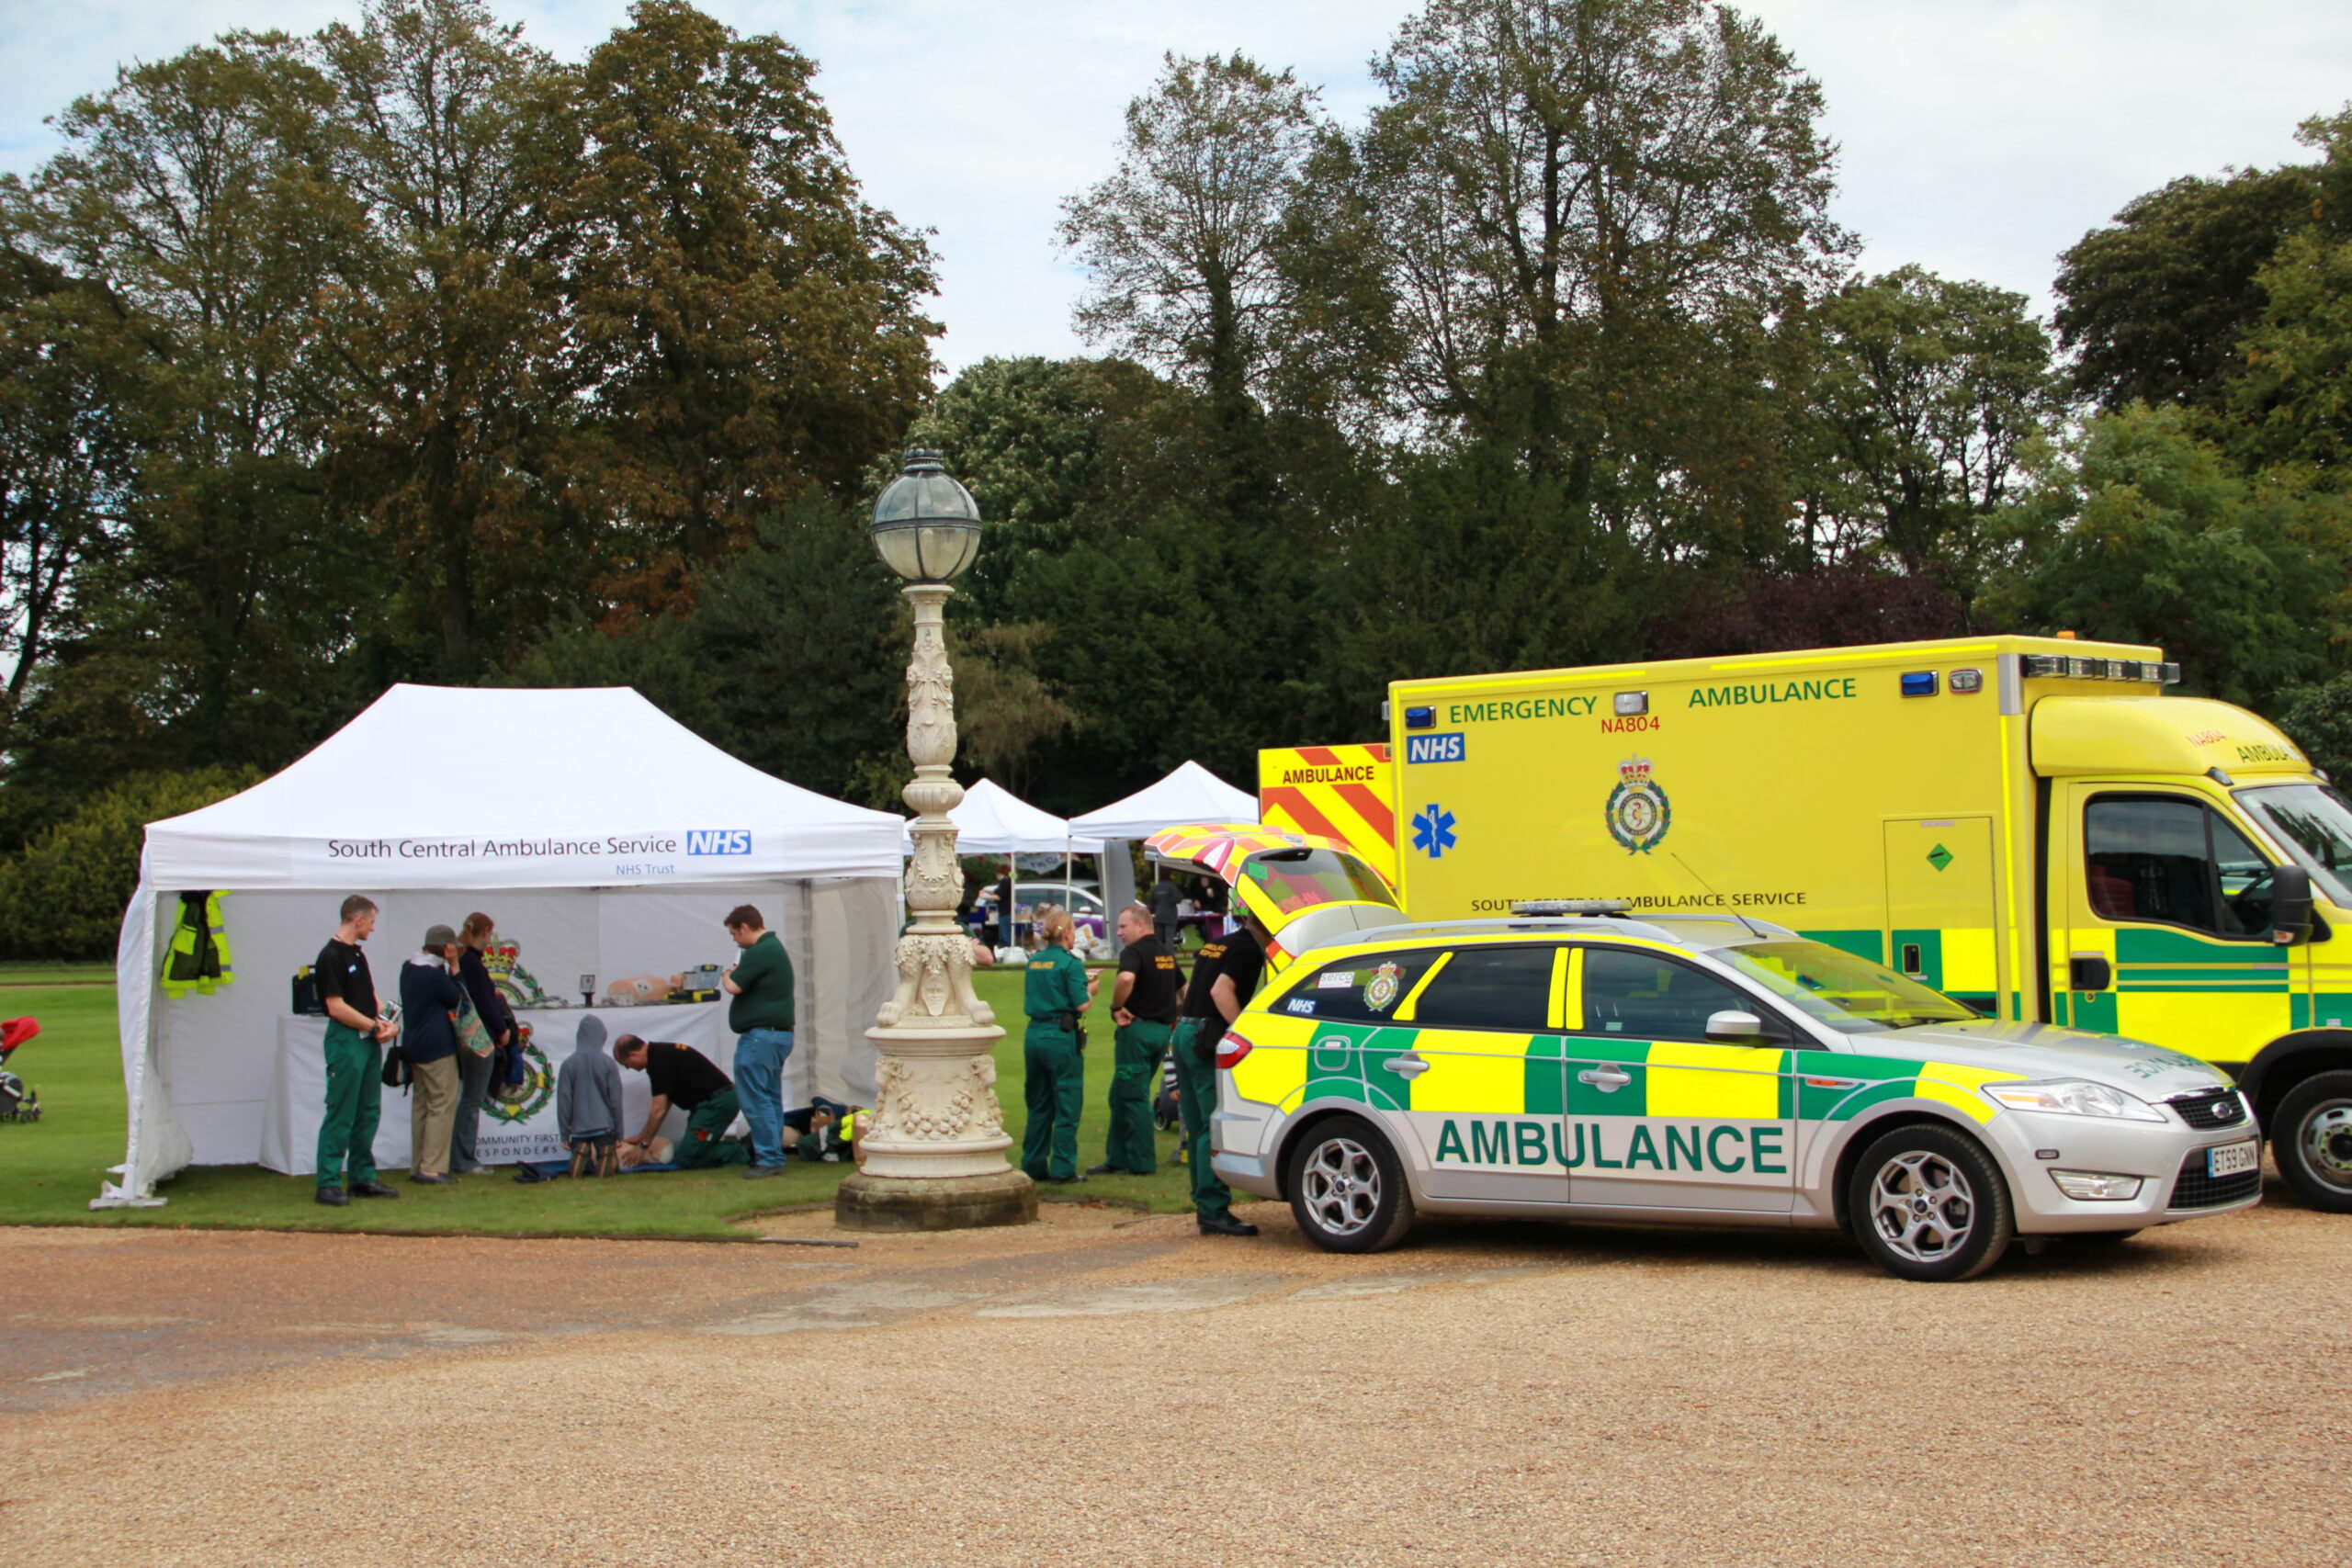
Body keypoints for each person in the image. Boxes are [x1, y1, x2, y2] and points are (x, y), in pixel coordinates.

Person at [1171, 909, 1271, 1235]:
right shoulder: (1247, 950)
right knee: (1212, 1125)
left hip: (1185, 1031)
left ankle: (1204, 1203)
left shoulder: (1218, 943)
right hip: (1206, 1037)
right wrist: (1242, 1032)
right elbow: (1221, 992)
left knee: (1197, 1122)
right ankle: (1213, 1208)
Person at [312, 896, 401, 1208]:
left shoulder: (357, 955)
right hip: (347, 1040)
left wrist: (390, 1022)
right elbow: (336, 1007)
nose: (373, 929)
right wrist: (374, 1026)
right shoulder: (331, 956)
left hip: (365, 1039)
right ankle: (328, 1182)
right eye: (372, 922)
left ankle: (363, 1176)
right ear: (358, 920)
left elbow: (371, 998)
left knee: (368, 1111)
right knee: (341, 1111)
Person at [1090, 904, 1183, 1177]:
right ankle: (1116, 1158)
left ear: (1141, 926)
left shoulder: (1134, 952)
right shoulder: (1166, 952)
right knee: (1119, 1093)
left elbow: (1126, 978)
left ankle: (1141, 1164)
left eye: (1123, 926)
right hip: (1161, 1032)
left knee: (1133, 1095)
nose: (1119, 932)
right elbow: (1184, 989)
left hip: (1138, 1032)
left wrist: (1116, 1007)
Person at [720, 904, 795, 1179]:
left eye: (734, 935)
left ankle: (768, 1157)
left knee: (755, 1099)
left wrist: (727, 974)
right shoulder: (773, 948)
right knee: (770, 1098)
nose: (735, 940)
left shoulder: (760, 951)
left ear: (744, 928)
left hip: (760, 1038)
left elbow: (734, 986)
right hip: (778, 1035)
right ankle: (772, 1154)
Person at [1020, 907, 1093, 1185]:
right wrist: (1091, 990)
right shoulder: (1070, 963)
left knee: (1039, 1103)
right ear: (1067, 933)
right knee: (1067, 1101)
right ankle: (1063, 1167)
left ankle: (1033, 1162)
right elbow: (1082, 1003)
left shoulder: (1034, 961)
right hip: (1060, 1036)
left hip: (1034, 1033)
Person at [614, 1036, 750, 1168]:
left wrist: (643, 1146)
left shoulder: (658, 1061)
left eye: (626, 1064)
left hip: (716, 1104)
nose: (628, 1068)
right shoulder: (661, 1054)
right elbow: (664, 1106)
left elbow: (658, 1110)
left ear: (633, 1054)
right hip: (714, 1102)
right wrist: (643, 1137)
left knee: (687, 1159)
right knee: (693, 1148)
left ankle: (746, 1149)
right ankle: (741, 1147)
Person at [399, 925, 467, 1185]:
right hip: (437, 1046)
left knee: (421, 1106)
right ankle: (433, 1167)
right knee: (442, 1104)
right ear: (447, 948)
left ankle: (418, 1164)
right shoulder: (433, 974)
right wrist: (455, 967)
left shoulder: (408, 968)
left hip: (413, 1044)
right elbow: (456, 997)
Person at [451, 912, 518, 1172]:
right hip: (479, 1038)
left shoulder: (463, 959)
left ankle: (460, 1156)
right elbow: (484, 1003)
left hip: (468, 1037)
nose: (490, 940)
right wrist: (502, 1029)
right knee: (472, 1100)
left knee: (468, 1099)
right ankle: (464, 1158)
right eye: (490, 934)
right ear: (484, 932)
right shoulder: (472, 963)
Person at [558, 1013, 623, 1177]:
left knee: (582, 1157)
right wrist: (619, 1131)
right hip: (604, 1124)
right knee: (607, 1154)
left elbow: (564, 1100)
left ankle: (581, 1153)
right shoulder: (608, 1063)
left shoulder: (568, 1064)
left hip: (579, 1126)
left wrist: (564, 1132)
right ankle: (605, 1156)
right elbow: (615, 1099)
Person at [1148, 873, 1182, 953]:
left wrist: (1153, 911)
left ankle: (1159, 955)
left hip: (1159, 915)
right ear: (1169, 876)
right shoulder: (1172, 887)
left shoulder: (1156, 888)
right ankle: (1169, 956)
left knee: (1159, 939)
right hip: (1170, 915)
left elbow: (1151, 903)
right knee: (1169, 938)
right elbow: (1178, 899)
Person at [995, 861, 1015, 951]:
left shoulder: (1005, 882)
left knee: (1004, 935)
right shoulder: (1010, 881)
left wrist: (985, 896)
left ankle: (1005, 950)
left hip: (1005, 910)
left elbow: (1000, 895)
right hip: (1007, 910)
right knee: (1005, 932)